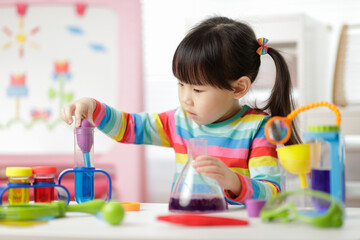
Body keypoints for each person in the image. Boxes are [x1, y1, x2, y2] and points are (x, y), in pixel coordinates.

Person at [61, 16, 300, 204]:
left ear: (238, 88)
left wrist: (234, 182)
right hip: (187, 224)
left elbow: (273, 193)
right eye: (180, 84)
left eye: (197, 90)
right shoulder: (179, 121)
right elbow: (130, 127)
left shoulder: (256, 129)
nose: (185, 98)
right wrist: (93, 107)